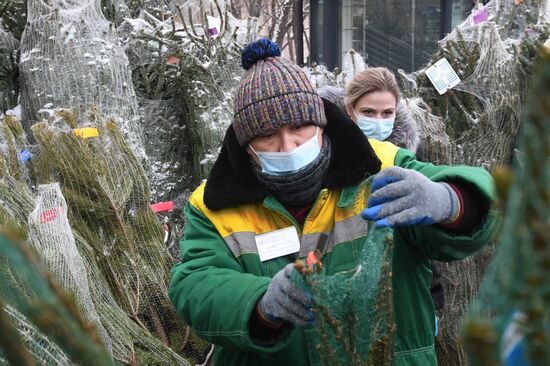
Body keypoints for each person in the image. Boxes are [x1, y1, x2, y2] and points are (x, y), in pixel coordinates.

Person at [169, 38, 499, 366]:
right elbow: (196, 284)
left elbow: (482, 202)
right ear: (246, 146)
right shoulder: (213, 206)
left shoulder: (380, 166)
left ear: (321, 125)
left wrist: (449, 201)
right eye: (267, 135)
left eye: (299, 126)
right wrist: (258, 303)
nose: (287, 145)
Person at [342, 67, 445, 329]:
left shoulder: (407, 159)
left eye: (387, 113)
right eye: (368, 112)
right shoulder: (331, 158)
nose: (379, 121)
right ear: (349, 111)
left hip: (401, 294)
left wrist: (434, 298)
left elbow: (425, 233)